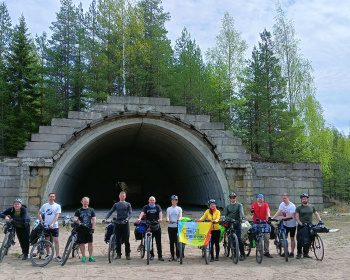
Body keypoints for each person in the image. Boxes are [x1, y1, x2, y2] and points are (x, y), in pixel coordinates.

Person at [104, 191, 132, 260]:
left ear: (125, 197)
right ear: (119, 196)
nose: (122, 197)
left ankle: (127, 254)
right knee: (118, 240)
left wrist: (127, 219)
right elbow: (110, 212)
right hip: (118, 223)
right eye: (121, 196)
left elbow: (131, 213)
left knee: (126, 239)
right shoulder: (116, 204)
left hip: (125, 223)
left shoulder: (128, 204)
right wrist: (105, 219)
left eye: (123, 196)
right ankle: (118, 254)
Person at [295, 193, 323, 259]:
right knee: (300, 239)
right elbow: (296, 217)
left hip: (309, 225)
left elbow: (316, 214)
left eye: (305, 198)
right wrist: (300, 223)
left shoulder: (312, 206)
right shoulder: (298, 208)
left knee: (309, 239)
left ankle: (306, 253)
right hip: (301, 225)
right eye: (302, 199)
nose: (304, 200)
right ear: (301, 200)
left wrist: (320, 220)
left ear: (308, 199)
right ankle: (299, 253)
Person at [136, 196, 164, 261]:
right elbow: (142, 213)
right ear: (148, 201)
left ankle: (160, 256)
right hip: (149, 226)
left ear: (155, 201)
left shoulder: (157, 207)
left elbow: (160, 212)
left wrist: (160, 218)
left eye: (153, 200)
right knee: (149, 241)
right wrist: (139, 218)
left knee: (158, 242)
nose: (152, 201)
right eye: (151, 200)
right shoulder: (146, 207)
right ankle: (152, 255)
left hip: (157, 225)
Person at [271, 193, 298, 257]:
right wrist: (272, 218)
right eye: (283, 198)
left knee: (292, 238)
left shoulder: (292, 206)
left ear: (288, 198)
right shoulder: (282, 204)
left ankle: (292, 252)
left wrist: (284, 218)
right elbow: (278, 212)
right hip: (285, 224)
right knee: (284, 238)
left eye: (285, 198)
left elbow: (291, 214)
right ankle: (286, 251)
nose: (284, 199)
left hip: (292, 224)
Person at [222, 193, 246, 261]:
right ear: (230, 199)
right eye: (231, 198)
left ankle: (242, 254)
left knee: (238, 238)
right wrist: (228, 219)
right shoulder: (228, 206)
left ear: (235, 198)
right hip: (230, 222)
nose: (232, 199)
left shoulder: (239, 205)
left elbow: (241, 212)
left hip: (237, 222)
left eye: (234, 197)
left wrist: (243, 218)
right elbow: (226, 215)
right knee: (231, 238)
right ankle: (234, 253)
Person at [38, 192, 61, 262]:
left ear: (55, 198)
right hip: (46, 225)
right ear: (48, 197)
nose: (52, 198)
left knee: (56, 240)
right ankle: (48, 253)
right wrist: (42, 220)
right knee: (47, 240)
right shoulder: (45, 205)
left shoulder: (57, 206)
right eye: (51, 196)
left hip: (54, 226)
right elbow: (39, 213)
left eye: (53, 197)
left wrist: (53, 224)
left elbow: (57, 216)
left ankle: (57, 255)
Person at [74, 197, 96, 263]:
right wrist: (77, 221)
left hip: (89, 229)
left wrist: (93, 228)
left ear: (88, 202)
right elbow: (75, 218)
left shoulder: (91, 210)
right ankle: (84, 256)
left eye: (87, 202)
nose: (86, 203)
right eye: (84, 202)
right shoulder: (79, 210)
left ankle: (90, 256)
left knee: (90, 243)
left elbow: (94, 220)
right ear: (82, 202)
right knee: (82, 243)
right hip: (81, 229)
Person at [249, 194, 272, 258]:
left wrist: (269, 218)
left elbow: (268, 211)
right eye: (259, 198)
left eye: (261, 198)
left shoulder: (265, 205)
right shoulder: (253, 205)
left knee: (267, 237)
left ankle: (266, 251)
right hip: (256, 222)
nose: (260, 199)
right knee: (257, 237)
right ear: (257, 199)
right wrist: (252, 211)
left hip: (264, 222)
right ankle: (259, 250)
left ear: (263, 199)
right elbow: (251, 214)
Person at [166, 195, 182, 262]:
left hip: (176, 227)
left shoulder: (179, 209)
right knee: (171, 242)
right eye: (172, 200)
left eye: (175, 200)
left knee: (177, 242)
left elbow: (180, 216)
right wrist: (168, 220)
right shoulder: (169, 209)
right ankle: (172, 255)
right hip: (170, 227)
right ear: (171, 201)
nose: (174, 201)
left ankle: (178, 256)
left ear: (177, 201)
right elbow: (167, 216)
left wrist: (179, 219)